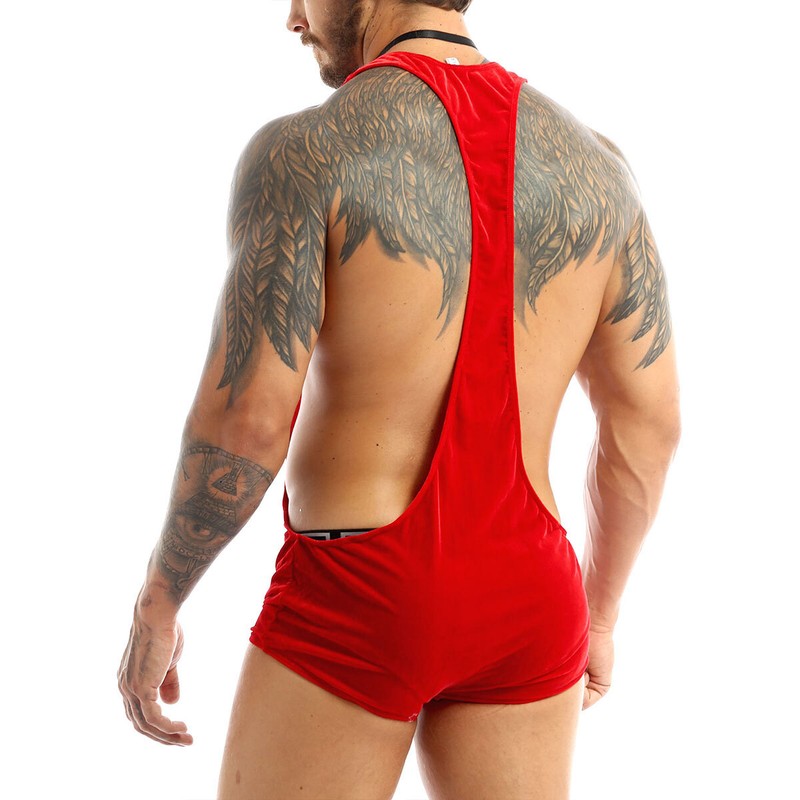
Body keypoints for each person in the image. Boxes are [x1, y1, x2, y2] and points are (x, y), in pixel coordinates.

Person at [117, 0, 681, 797]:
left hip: (362, 591)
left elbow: (248, 418)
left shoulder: (306, 151)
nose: (292, 18)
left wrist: (162, 595)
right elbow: (648, 423)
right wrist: (599, 616)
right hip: (530, 593)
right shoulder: (600, 169)